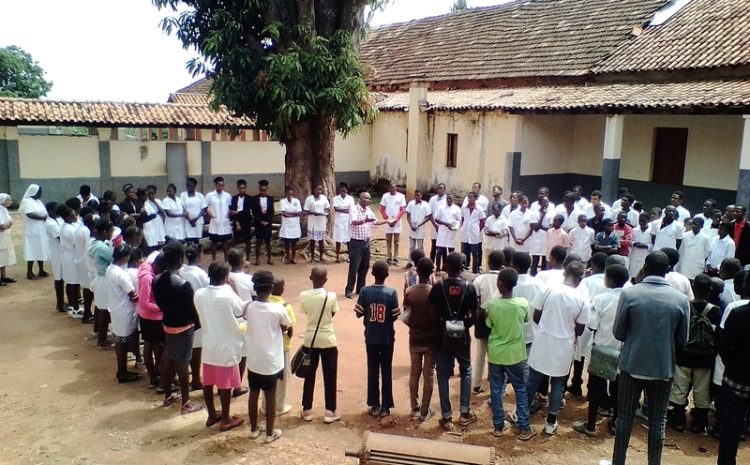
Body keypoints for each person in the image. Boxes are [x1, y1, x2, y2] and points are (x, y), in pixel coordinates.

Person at [610, 251, 689, 465]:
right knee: (658, 421)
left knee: (625, 418)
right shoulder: (682, 300)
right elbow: (683, 340)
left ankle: (619, 462)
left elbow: (618, 332)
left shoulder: (630, 294)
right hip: (663, 368)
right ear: (668, 270)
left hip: (632, 364)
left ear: (644, 268)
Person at [526, 260, 589, 435]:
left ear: (564, 273)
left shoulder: (548, 290)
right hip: (564, 345)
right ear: (580, 278)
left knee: (533, 380)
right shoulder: (582, 300)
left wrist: (548, 327)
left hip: (543, 340)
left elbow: (536, 315)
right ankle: (550, 422)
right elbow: (581, 329)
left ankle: (521, 415)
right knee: (558, 384)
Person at [573, 264, 629, 437]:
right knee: (619, 388)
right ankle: (615, 423)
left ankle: (590, 426)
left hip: (603, 349)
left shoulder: (601, 299)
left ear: (609, 280)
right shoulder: (631, 298)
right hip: (624, 349)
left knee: (596, 387)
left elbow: (592, 325)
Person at [193, 260, 246, 432]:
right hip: (227, 344)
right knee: (225, 384)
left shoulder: (199, 294)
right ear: (225, 277)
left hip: (209, 342)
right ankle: (225, 418)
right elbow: (241, 310)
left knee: (208, 382)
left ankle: (211, 415)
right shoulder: (228, 294)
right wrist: (234, 289)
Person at [429, 251, 479, 431]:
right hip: (463, 337)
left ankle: (447, 417)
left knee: (443, 374)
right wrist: (463, 325)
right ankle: (465, 413)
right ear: (462, 267)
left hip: (442, 337)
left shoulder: (437, 287)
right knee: (466, 370)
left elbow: (432, 314)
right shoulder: (470, 287)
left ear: (446, 267)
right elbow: (475, 315)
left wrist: (445, 325)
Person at [486, 267, 537, 440]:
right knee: (520, 389)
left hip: (496, 353)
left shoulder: (492, 305)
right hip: (515, 354)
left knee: (496, 388)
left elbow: (488, 324)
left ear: (500, 283)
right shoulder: (522, 303)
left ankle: (498, 426)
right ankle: (524, 428)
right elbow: (526, 320)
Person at [152, 241, 204, 414]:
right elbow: (191, 308)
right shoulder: (183, 284)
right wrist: (198, 324)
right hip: (184, 326)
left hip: (167, 323)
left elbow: (159, 303)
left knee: (170, 358)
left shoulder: (157, 280)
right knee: (183, 362)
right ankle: (186, 403)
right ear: (180, 259)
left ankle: (168, 396)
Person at [667, 274, 720, 434]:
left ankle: (678, 420)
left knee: (680, 388)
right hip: (705, 359)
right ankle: (699, 422)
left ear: (693, 287)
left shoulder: (685, 306)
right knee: (702, 390)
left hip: (684, 356)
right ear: (710, 290)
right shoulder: (715, 310)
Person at [244, 271, 290, 443]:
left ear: (255, 288)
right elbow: (285, 328)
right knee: (270, 397)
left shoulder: (248, 306)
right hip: (271, 362)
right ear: (272, 288)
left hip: (254, 360)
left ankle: (254, 429)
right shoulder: (278, 309)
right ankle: (270, 434)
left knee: (253, 394)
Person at [354, 260, 400, 418]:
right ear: (387, 275)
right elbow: (395, 315)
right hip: (387, 337)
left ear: (372, 274)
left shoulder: (365, 291)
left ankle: (374, 405)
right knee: (386, 370)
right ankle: (386, 406)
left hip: (371, 337)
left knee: (372, 370)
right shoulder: (392, 292)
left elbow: (358, 313)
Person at [716, 273, 750, 465]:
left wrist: (732, 365)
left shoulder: (738, 313)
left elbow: (723, 345)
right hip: (737, 375)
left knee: (730, 428)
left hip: (736, 378)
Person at [299, 266, 341, 423]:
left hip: (310, 340)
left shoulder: (304, 295)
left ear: (311, 278)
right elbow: (332, 313)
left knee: (309, 375)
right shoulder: (331, 296)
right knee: (330, 375)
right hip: (328, 339)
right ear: (326, 280)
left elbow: (307, 313)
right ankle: (330, 411)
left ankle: (307, 409)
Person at [403, 257, 437, 422]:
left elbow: (406, 313)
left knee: (414, 372)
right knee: (429, 374)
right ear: (432, 273)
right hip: (431, 339)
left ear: (417, 271)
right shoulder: (435, 291)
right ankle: (424, 411)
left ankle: (414, 407)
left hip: (414, 338)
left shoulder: (410, 291)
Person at [105, 244, 140, 383]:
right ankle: (122, 372)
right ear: (125, 257)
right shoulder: (121, 274)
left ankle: (122, 371)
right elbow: (132, 294)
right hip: (124, 310)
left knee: (120, 340)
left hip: (116, 308)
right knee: (122, 342)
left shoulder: (110, 269)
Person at [471, 250, 504, 394]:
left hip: (483, 318)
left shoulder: (480, 279)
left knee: (480, 354)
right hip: (499, 319)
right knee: (496, 356)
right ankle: (495, 387)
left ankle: (476, 384)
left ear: (489, 262)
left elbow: (475, 300)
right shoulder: (505, 278)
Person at [179, 243, 210, 392]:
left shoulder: (180, 270)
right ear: (198, 257)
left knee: (187, 345)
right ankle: (196, 379)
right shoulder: (200, 273)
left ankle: (193, 376)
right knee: (197, 346)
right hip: (197, 311)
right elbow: (207, 289)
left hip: (182, 310)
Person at [264, 276, 295, 417]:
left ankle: (264, 406)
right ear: (282, 288)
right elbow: (290, 328)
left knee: (267, 376)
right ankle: (279, 407)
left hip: (265, 346)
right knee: (281, 379)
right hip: (281, 346)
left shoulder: (264, 303)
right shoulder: (286, 306)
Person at [345, 192, 386, 299]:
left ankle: (360, 289)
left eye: (369, 198)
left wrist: (387, 221)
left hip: (366, 242)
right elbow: (353, 222)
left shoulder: (369, 210)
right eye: (366, 198)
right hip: (356, 243)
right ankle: (349, 290)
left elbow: (375, 222)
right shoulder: (354, 209)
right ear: (360, 199)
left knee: (364, 267)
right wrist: (365, 220)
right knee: (354, 267)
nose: (368, 200)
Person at [138, 252, 166, 389]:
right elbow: (144, 302)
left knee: (153, 346)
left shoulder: (148, 272)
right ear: (156, 265)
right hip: (151, 317)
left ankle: (156, 375)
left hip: (149, 316)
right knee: (153, 347)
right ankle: (154, 378)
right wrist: (162, 308)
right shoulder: (147, 278)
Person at [89, 219, 114, 349]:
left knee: (101, 308)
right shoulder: (102, 247)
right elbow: (113, 259)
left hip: (99, 278)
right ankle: (102, 340)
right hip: (104, 279)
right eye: (111, 231)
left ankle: (100, 333)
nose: (112, 233)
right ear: (104, 232)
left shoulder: (96, 244)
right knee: (104, 310)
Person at [19, 184, 49, 280]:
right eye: (39, 191)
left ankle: (41, 269)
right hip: (31, 230)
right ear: (34, 192)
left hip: (41, 229)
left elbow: (45, 212)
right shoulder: (26, 202)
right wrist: (43, 217)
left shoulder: (38, 202)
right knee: (31, 250)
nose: (41, 193)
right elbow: (30, 214)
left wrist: (45, 216)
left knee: (41, 249)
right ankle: (29, 272)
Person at [60, 206, 82, 317]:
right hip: (71, 257)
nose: (75, 216)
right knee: (73, 283)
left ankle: (74, 307)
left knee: (73, 282)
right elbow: (76, 243)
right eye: (73, 214)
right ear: (68, 217)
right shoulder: (69, 229)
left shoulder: (68, 227)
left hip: (69, 256)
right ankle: (74, 308)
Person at [205, 177, 232, 261]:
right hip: (215, 221)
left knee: (225, 242)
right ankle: (214, 259)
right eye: (219, 185)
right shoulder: (210, 195)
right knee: (214, 242)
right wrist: (210, 215)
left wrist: (229, 213)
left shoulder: (227, 196)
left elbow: (231, 206)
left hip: (224, 221)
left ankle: (226, 259)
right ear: (216, 185)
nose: (221, 187)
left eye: (222, 185)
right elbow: (204, 206)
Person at [433, 193, 461, 274]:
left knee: (451, 251)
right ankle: (438, 268)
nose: (449, 200)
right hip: (442, 231)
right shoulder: (441, 207)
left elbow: (459, 220)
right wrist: (445, 224)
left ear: (453, 199)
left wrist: (453, 225)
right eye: (448, 198)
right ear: (446, 199)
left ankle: (450, 269)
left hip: (451, 232)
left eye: (451, 199)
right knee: (439, 251)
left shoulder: (456, 209)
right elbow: (436, 219)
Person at [380, 183, 407, 265]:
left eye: (393, 188)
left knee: (396, 241)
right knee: (388, 241)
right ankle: (389, 256)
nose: (392, 189)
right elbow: (382, 209)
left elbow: (402, 210)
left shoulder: (401, 196)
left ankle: (395, 257)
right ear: (389, 189)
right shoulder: (385, 196)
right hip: (388, 222)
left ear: (396, 189)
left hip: (397, 222)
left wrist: (395, 220)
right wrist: (387, 219)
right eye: (390, 188)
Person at [45, 202, 65, 311]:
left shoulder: (60, 219)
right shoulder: (50, 223)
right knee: (59, 278)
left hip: (63, 252)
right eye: (56, 209)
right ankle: (59, 304)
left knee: (64, 277)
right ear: (51, 211)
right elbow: (60, 238)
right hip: (57, 253)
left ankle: (64, 301)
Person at [460, 192, 486, 274]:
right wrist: (464, 227)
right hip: (465, 233)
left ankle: (475, 270)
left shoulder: (479, 209)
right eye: (468, 197)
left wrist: (477, 230)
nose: (469, 199)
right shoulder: (464, 208)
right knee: (464, 252)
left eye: (471, 197)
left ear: (475, 198)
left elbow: (482, 222)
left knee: (475, 254)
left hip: (474, 234)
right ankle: (464, 269)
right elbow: (463, 218)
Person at [304, 184, 330, 262]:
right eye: (317, 189)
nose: (319, 191)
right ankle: (312, 257)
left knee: (321, 240)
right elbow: (306, 210)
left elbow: (327, 209)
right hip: (312, 221)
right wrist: (313, 213)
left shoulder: (324, 198)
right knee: (312, 240)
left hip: (321, 221)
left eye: (320, 190)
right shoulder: (309, 199)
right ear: (314, 190)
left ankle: (321, 256)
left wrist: (323, 212)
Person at [251, 179, 275, 266]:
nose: (263, 192)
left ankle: (269, 258)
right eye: (261, 190)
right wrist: (260, 221)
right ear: (259, 189)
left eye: (264, 190)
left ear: (267, 189)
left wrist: (268, 221)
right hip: (259, 223)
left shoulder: (270, 199)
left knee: (268, 241)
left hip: (268, 223)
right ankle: (257, 259)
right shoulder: (255, 199)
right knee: (259, 241)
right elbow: (254, 212)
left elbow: (272, 211)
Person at [229, 179, 253, 261]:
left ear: (245, 188)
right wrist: (236, 222)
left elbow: (247, 211)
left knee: (247, 240)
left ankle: (248, 257)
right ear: (238, 188)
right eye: (240, 188)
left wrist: (237, 212)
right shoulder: (234, 198)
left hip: (246, 221)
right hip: (237, 221)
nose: (242, 190)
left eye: (243, 188)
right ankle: (235, 257)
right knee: (236, 240)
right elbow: (231, 211)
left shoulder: (249, 198)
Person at [405, 189, 432, 258]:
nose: (417, 197)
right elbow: (408, 215)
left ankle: (421, 263)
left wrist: (419, 225)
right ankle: (410, 262)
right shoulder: (411, 203)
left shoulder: (425, 205)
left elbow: (428, 217)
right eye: (416, 195)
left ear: (421, 196)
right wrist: (411, 225)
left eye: (418, 195)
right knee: (412, 247)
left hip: (420, 229)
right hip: (412, 228)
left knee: (420, 247)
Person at [332, 182, 355, 263]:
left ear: (347, 190)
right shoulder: (335, 199)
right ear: (339, 190)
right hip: (339, 221)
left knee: (349, 240)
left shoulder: (350, 199)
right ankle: (337, 256)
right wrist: (345, 209)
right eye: (341, 190)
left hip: (348, 221)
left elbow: (351, 209)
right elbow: (336, 209)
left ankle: (349, 256)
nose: (343, 191)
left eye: (344, 190)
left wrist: (342, 209)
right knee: (338, 239)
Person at [279, 188, 303, 265]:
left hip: (295, 225)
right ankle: (288, 257)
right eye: (289, 194)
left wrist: (289, 214)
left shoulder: (296, 201)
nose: (290, 196)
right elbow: (284, 214)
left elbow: (299, 212)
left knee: (294, 242)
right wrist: (294, 214)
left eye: (291, 194)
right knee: (287, 242)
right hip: (286, 225)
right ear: (286, 194)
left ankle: (293, 257)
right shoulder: (282, 201)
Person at [180, 177, 207, 245]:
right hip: (187, 221)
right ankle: (190, 254)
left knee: (197, 240)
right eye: (187, 185)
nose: (188, 187)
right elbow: (183, 208)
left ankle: (197, 254)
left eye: (190, 185)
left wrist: (195, 219)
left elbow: (203, 209)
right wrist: (190, 220)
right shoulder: (183, 195)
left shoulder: (200, 196)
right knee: (189, 240)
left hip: (197, 222)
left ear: (194, 186)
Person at [528, 197, 550, 275]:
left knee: (544, 264)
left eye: (547, 202)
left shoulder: (550, 213)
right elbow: (535, 228)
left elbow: (550, 228)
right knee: (535, 262)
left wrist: (540, 226)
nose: (546, 204)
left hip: (546, 240)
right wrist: (542, 217)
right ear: (540, 203)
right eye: (544, 202)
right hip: (536, 241)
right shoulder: (534, 213)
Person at [140, 186, 166, 252]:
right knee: (152, 241)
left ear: (155, 193)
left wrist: (154, 201)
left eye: (153, 193)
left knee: (160, 241)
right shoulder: (146, 202)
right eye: (149, 194)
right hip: (151, 223)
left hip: (158, 223)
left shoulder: (158, 201)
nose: (151, 195)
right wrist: (157, 212)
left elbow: (162, 212)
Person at [0, 193, 17, 286]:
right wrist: (9, 224)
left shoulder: (4, 209)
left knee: (3, 256)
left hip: (4, 236)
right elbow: (2, 226)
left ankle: (3, 276)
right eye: (8, 199)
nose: (10, 201)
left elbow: (9, 223)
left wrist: (8, 224)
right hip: (0, 237)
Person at [428, 183, 447, 263]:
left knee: (443, 247)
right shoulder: (432, 199)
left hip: (444, 227)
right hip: (434, 226)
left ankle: (444, 265)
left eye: (441, 189)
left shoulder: (447, 199)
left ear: (444, 190)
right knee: (434, 246)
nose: (439, 190)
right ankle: (431, 264)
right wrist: (435, 225)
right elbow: (429, 213)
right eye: (438, 188)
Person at [630, 212, 652, 279]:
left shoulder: (651, 231)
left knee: (643, 271)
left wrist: (646, 246)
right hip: (635, 253)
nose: (641, 222)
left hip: (645, 253)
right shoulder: (634, 230)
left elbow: (654, 243)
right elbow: (630, 240)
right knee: (633, 272)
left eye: (643, 221)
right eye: (640, 221)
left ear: (648, 220)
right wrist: (634, 243)